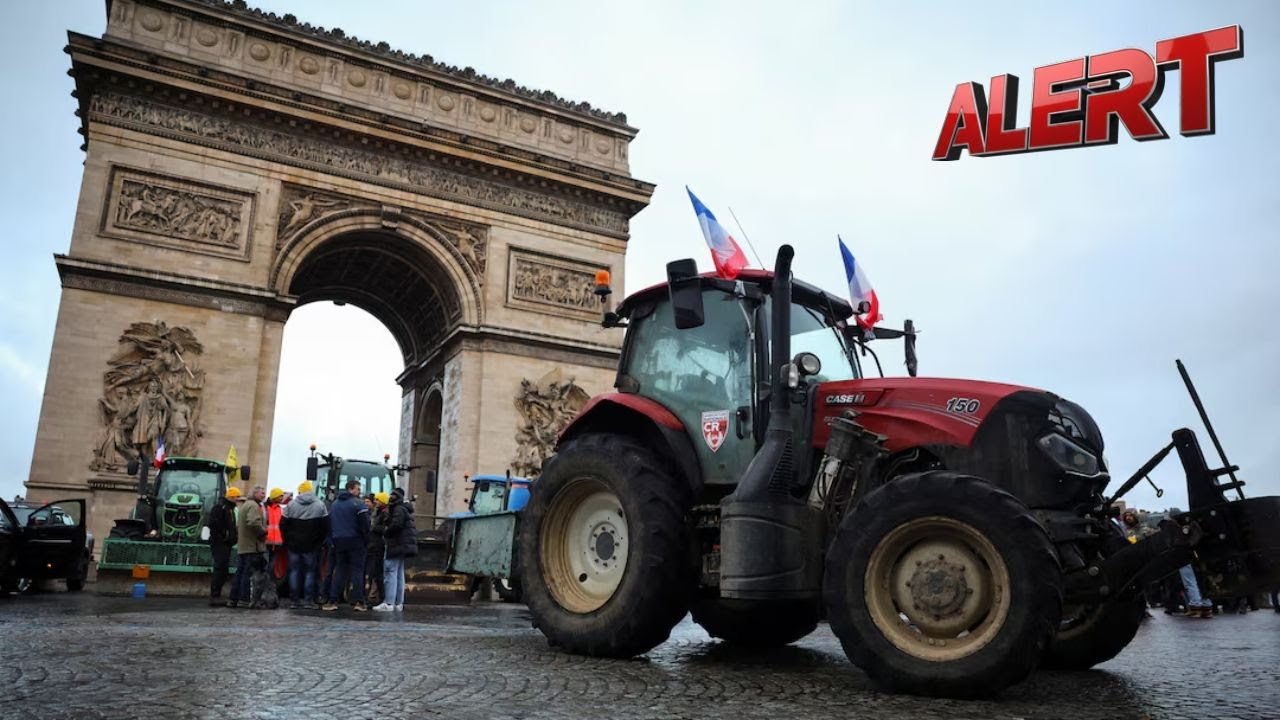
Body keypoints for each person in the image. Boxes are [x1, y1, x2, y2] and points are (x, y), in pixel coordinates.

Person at [323, 479, 370, 612]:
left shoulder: (335, 504)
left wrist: (332, 540)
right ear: (351, 489)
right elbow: (365, 525)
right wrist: (367, 540)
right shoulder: (359, 505)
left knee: (340, 571)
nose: (359, 491)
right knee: (357, 571)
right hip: (356, 541)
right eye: (358, 489)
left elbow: (329, 524)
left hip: (338, 542)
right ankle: (358, 601)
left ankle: (332, 600)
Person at [281, 480, 328, 610]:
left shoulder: (291, 505)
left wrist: (287, 540)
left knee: (294, 571)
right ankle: (308, 600)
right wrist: (319, 542)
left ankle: (294, 600)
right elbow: (325, 527)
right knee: (310, 572)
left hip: (294, 545)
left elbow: (283, 525)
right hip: (312, 546)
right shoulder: (320, 505)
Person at [375, 488, 417, 612]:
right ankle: (398, 603)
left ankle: (389, 602)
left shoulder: (398, 509)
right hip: (403, 545)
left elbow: (396, 525)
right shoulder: (405, 509)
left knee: (390, 572)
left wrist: (386, 531)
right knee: (399, 574)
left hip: (396, 544)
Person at [229, 485, 269, 609]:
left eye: (264, 492)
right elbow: (253, 522)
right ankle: (244, 599)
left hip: (244, 545)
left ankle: (233, 599)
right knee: (247, 574)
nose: (263, 495)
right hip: (252, 546)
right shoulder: (253, 506)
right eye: (261, 492)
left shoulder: (245, 505)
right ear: (254, 493)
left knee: (240, 573)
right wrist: (263, 532)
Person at [207, 486, 241, 606]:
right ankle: (215, 595)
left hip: (226, 543)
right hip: (220, 543)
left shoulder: (230, 509)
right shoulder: (221, 508)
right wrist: (224, 536)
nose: (238, 499)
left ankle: (217, 594)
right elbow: (214, 524)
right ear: (231, 497)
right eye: (236, 497)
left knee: (223, 569)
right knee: (220, 568)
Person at [365, 493, 388, 607]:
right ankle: (375, 596)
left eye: (377, 500)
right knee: (374, 572)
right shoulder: (378, 512)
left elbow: (385, 528)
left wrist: (373, 527)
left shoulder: (384, 513)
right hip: (374, 545)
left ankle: (381, 597)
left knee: (377, 573)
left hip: (378, 545)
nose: (375, 502)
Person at [264, 488, 286, 592]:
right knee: (264, 568)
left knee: (271, 569)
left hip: (276, 544)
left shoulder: (280, 509)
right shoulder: (264, 508)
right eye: (280, 496)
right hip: (266, 543)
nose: (282, 498)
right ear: (275, 496)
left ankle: (268, 590)